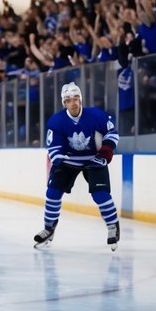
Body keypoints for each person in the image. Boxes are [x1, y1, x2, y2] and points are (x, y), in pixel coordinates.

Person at [36, 82, 121, 251]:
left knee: (100, 195)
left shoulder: (96, 115)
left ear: (80, 100)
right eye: (68, 100)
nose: (73, 102)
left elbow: (112, 133)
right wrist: (60, 161)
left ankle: (113, 226)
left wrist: (105, 153)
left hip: (94, 159)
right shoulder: (57, 120)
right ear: (64, 103)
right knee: (52, 192)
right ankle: (49, 227)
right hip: (69, 160)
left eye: (76, 98)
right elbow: (53, 147)